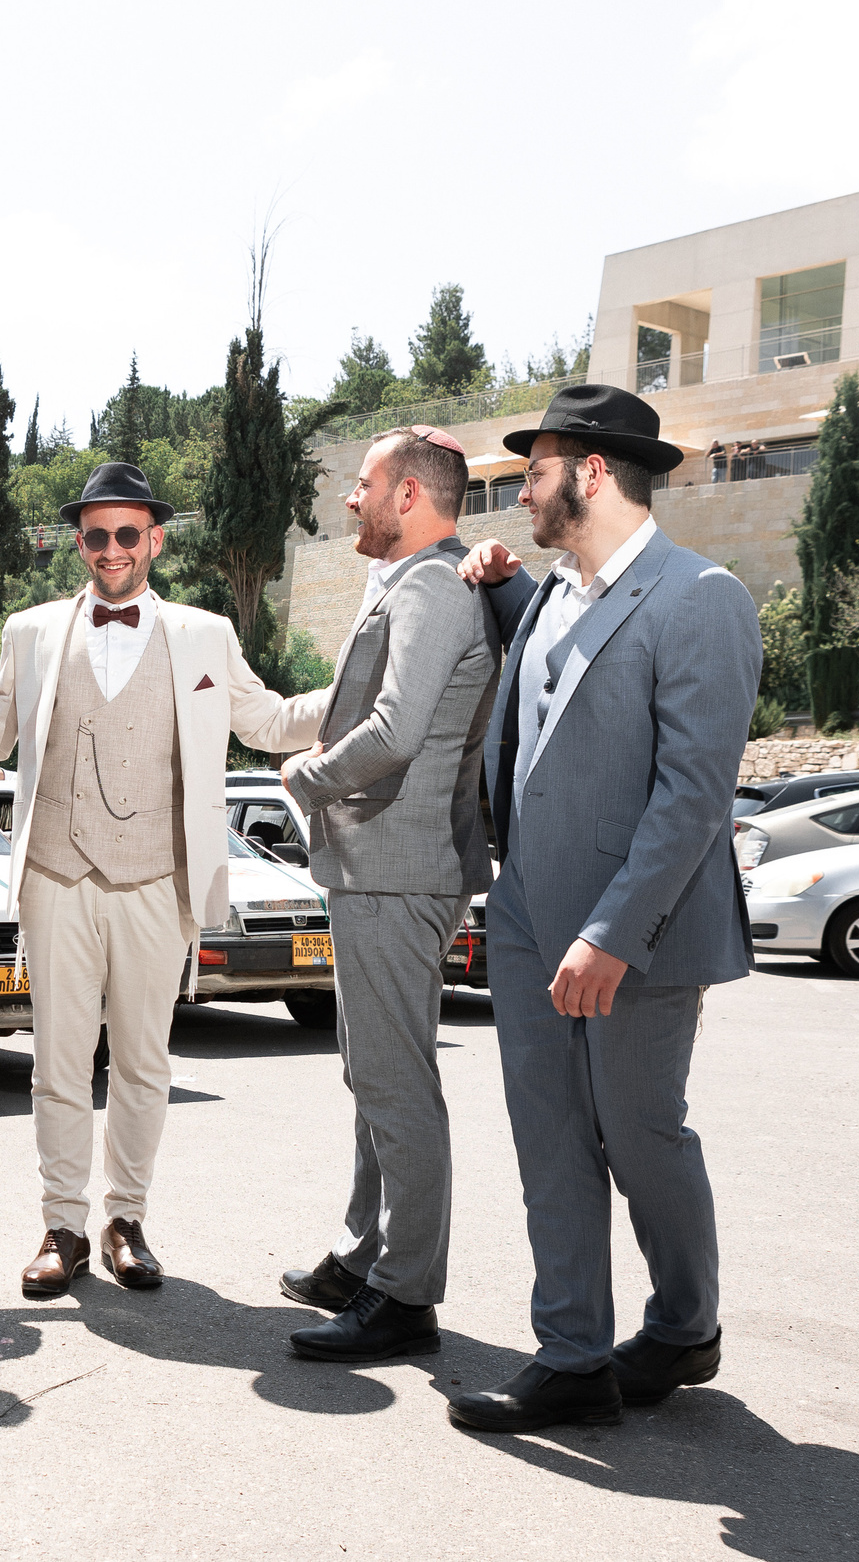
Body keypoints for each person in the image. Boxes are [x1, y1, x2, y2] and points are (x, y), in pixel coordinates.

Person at [0, 462, 317, 1298]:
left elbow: (270, 720)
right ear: (79, 541)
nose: (110, 550)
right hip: (57, 876)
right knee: (59, 1063)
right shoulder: (29, 632)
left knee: (143, 1062)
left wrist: (369, 675)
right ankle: (61, 1224)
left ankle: (125, 1221)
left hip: (157, 880)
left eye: (126, 534)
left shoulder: (206, 634)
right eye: (95, 535)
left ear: (155, 540)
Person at [445, 384, 759, 1433]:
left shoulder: (699, 596)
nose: (517, 492)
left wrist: (610, 934)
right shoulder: (545, 594)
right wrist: (492, 581)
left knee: (638, 1136)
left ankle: (680, 1329)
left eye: (531, 472)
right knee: (549, 1140)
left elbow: (693, 797)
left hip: (637, 933)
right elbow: (549, 715)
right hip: (527, 915)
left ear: (589, 473)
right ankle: (572, 1354)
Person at [270, 425, 499, 1363]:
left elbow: (397, 728)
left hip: (400, 870)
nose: (349, 501)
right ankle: (365, 1256)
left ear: (410, 495)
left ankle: (404, 1296)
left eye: (362, 485)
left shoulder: (436, 587)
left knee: (398, 1081)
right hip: (377, 868)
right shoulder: (411, 583)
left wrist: (307, 778)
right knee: (372, 1071)